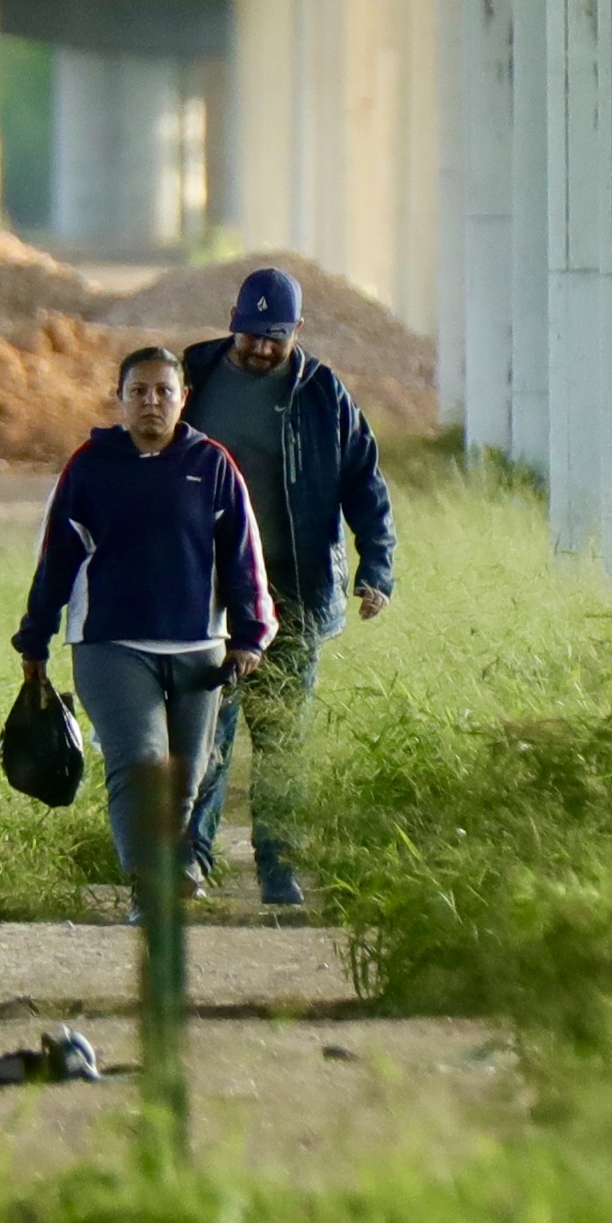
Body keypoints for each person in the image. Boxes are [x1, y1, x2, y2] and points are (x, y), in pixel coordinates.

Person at [14, 341, 276, 909]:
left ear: (184, 398)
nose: (151, 402)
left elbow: (242, 556)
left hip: (199, 648)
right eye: (139, 392)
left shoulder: (212, 466)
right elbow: (56, 556)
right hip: (110, 645)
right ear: (120, 400)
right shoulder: (89, 467)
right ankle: (148, 883)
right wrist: (35, 634)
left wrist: (251, 634)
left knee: (188, 773)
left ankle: (167, 865)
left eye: (164, 391)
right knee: (140, 759)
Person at [172, 263, 399, 906]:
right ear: (232, 324)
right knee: (204, 733)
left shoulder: (322, 393)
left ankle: (279, 869)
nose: (261, 348)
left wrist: (375, 567)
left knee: (280, 740)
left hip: (295, 594)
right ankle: (194, 861)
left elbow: (366, 484)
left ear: (297, 330)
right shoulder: (193, 376)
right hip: (207, 592)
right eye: (250, 334)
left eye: (275, 337)